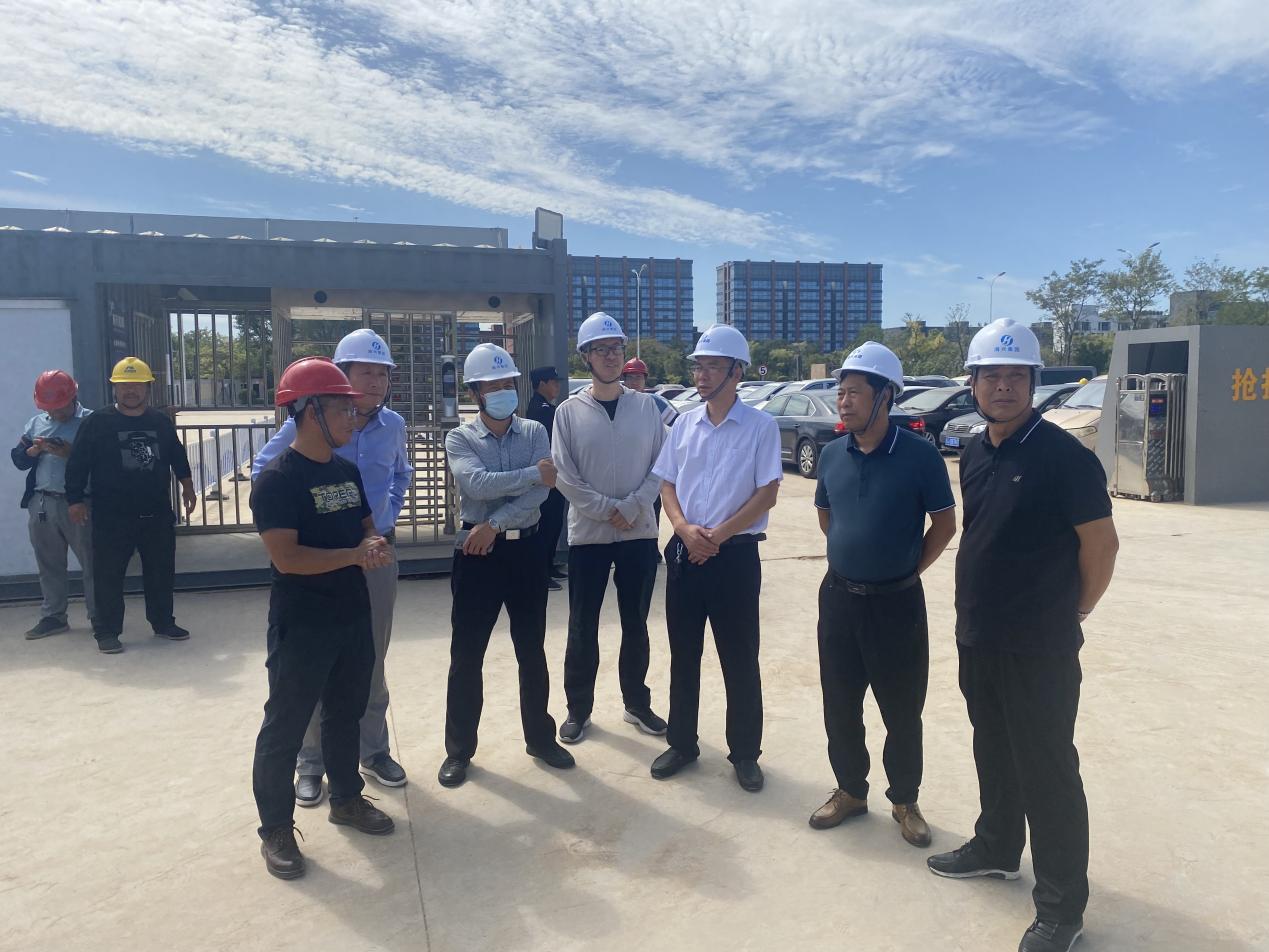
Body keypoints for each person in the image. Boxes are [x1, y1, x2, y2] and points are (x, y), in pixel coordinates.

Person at [926, 318, 1119, 952]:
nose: (1003, 386)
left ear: (1033, 383)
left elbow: (1101, 546)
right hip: (979, 634)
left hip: (1040, 646)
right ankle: (997, 846)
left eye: (1016, 376)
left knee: (1048, 771)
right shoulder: (976, 450)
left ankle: (1062, 909)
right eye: (992, 376)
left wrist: (1075, 612)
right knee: (993, 749)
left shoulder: (1066, 457)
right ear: (973, 383)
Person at [250, 356, 396, 880]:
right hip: (303, 623)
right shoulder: (277, 481)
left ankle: (347, 799)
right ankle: (276, 830)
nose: (352, 419)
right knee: (286, 726)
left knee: (345, 713)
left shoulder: (346, 472)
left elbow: (367, 526)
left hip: (352, 615)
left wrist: (372, 543)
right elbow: (288, 558)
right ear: (311, 411)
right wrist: (355, 555)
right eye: (342, 410)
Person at [807, 343, 956, 847]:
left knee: (902, 709)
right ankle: (850, 790)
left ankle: (905, 799)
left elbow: (944, 524)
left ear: (885, 396)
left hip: (897, 604)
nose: (844, 401)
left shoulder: (920, 455)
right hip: (839, 600)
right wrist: (852, 555)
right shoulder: (833, 453)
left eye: (855, 392)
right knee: (840, 703)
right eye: (841, 392)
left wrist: (905, 569)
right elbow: (826, 515)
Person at [649, 325, 781, 792]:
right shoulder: (684, 425)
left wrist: (718, 536)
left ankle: (744, 753)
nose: (702, 375)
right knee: (684, 655)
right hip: (686, 553)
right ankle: (682, 743)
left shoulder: (760, 427)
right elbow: (666, 483)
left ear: (736, 372)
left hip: (735, 558)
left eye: (712, 367)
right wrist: (684, 529)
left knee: (740, 659)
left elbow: (767, 492)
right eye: (698, 367)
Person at [437, 343, 574, 788]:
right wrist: (535, 473)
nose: (502, 391)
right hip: (476, 557)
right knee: (466, 655)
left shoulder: (534, 431)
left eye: (507, 383)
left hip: (525, 552)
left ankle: (541, 739)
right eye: (492, 385)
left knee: (531, 650)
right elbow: (476, 483)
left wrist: (494, 523)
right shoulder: (460, 438)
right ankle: (459, 751)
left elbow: (541, 495)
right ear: (474, 392)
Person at [552, 313, 668, 745]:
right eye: (600, 349)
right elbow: (564, 475)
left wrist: (635, 505)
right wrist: (606, 510)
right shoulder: (568, 412)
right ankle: (578, 710)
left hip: (638, 533)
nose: (610, 356)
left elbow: (663, 464)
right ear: (585, 356)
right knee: (582, 624)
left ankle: (636, 703)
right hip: (590, 537)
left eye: (616, 348)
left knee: (636, 623)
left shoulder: (647, 407)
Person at [64, 357, 195, 655]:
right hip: (112, 516)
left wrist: (187, 486)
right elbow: (78, 464)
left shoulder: (159, 422)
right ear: (115, 388)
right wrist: (74, 500)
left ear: (148, 387)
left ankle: (163, 622)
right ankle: (107, 631)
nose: (131, 390)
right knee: (108, 576)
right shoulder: (97, 423)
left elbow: (177, 455)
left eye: (137, 385)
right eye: (124, 385)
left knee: (160, 572)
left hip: (156, 513)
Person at [11, 371, 97, 639]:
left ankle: (100, 616)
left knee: (92, 562)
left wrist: (71, 453)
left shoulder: (91, 422)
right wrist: (33, 451)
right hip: (43, 502)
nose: (54, 413)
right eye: (48, 408)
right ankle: (53, 616)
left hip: (80, 503)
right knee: (49, 563)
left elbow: (105, 462)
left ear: (73, 397)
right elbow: (19, 460)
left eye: (59, 407)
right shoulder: (35, 424)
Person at [526, 365, 568, 591]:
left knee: (554, 523)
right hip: (546, 477)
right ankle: (541, 572)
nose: (557, 386)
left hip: (553, 476)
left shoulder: (545, 407)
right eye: (553, 382)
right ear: (541, 384)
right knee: (546, 524)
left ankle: (549, 565)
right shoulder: (541, 410)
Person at [620, 357, 679, 426]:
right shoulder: (618, 402)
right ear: (624, 380)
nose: (634, 382)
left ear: (645, 379)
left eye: (638, 377)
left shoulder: (654, 401)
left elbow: (679, 425)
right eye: (630, 377)